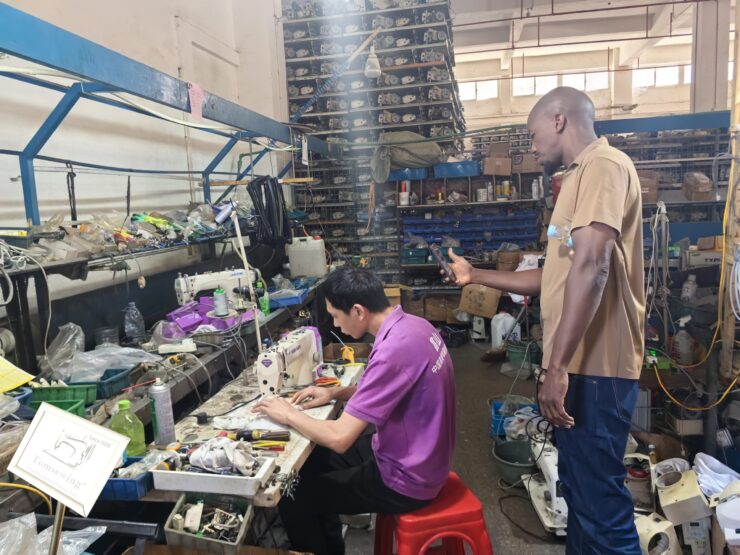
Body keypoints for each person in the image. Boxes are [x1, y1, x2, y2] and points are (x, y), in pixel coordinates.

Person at [449, 87, 645, 554]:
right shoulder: (574, 182)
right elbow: (553, 272)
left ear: (558, 120)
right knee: (579, 496)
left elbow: (593, 264)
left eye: (532, 133)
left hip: (596, 368)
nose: (530, 145)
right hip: (578, 367)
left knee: (601, 511)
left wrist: (556, 367)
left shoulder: (605, 166)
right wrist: (476, 274)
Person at [252, 266, 456, 555]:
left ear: (358, 311)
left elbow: (340, 437)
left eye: (336, 315)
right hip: (420, 457)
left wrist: (287, 413)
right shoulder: (414, 327)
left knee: (292, 495)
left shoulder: (393, 351)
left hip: (406, 479)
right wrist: (335, 393)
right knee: (311, 464)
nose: (335, 325)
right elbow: (395, 390)